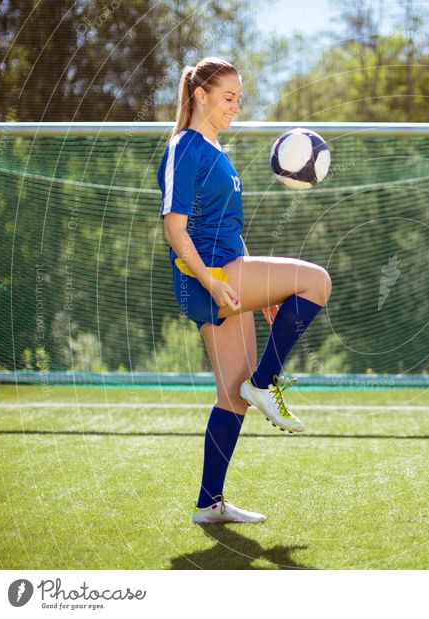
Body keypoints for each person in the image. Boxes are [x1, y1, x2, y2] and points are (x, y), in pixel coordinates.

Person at [157, 57, 332, 524]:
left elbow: (229, 229)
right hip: (210, 276)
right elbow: (175, 230)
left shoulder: (217, 149)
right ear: (201, 95)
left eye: (239, 97)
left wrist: (269, 294)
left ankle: (208, 504)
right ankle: (266, 383)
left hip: (228, 271)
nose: (236, 105)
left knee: (232, 397)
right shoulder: (185, 146)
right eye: (229, 97)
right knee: (316, 281)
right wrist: (213, 283)